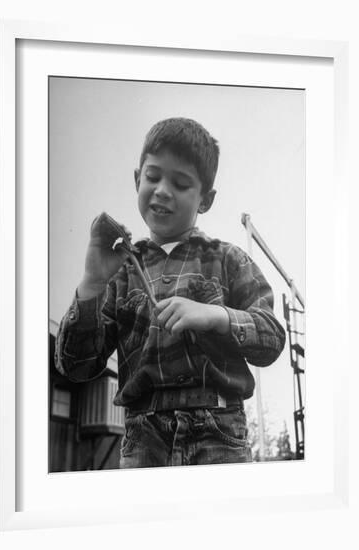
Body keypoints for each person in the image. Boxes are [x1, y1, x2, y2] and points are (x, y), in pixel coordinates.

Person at [55, 117, 286, 468]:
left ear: (205, 199)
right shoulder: (120, 273)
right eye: (153, 177)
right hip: (142, 439)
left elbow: (272, 338)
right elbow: (77, 367)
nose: (163, 190)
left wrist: (215, 316)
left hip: (219, 433)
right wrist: (91, 284)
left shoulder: (229, 259)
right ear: (137, 180)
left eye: (180, 183)